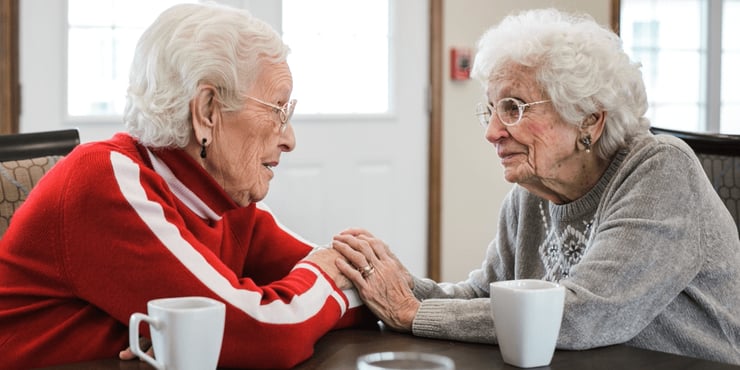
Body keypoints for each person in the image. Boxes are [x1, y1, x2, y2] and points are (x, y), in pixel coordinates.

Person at [332, 8, 740, 365]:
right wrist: (404, 286)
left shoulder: (660, 171)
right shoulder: (530, 196)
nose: (493, 132)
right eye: (491, 109)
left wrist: (411, 312)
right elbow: (484, 297)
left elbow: (583, 316)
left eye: (513, 108)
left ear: (588, 120)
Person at [0, 3, 373, 369]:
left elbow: (364, 285)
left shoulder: (223, 200)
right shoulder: (103, 181)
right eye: (277, 110)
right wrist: (306, 287)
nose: (289, 139)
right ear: (207, 112)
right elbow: (266, 333)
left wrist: (272, 306)